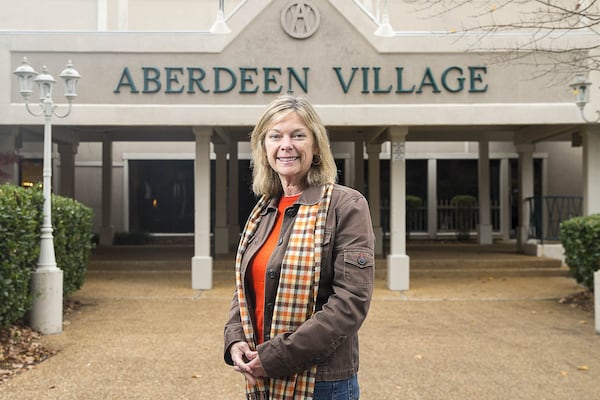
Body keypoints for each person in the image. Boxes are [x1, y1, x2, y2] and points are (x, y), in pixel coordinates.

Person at [223, 94, 375, 400]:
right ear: (264, 148)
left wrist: (277, 357)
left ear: (316, 145)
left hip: (322, 383)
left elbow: (351, 302)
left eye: (298, 135)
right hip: (262, 377)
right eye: (275, 136)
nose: (286, 145)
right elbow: (246, 288)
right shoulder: (263, 211)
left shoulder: (346, 205)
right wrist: (235, 337)